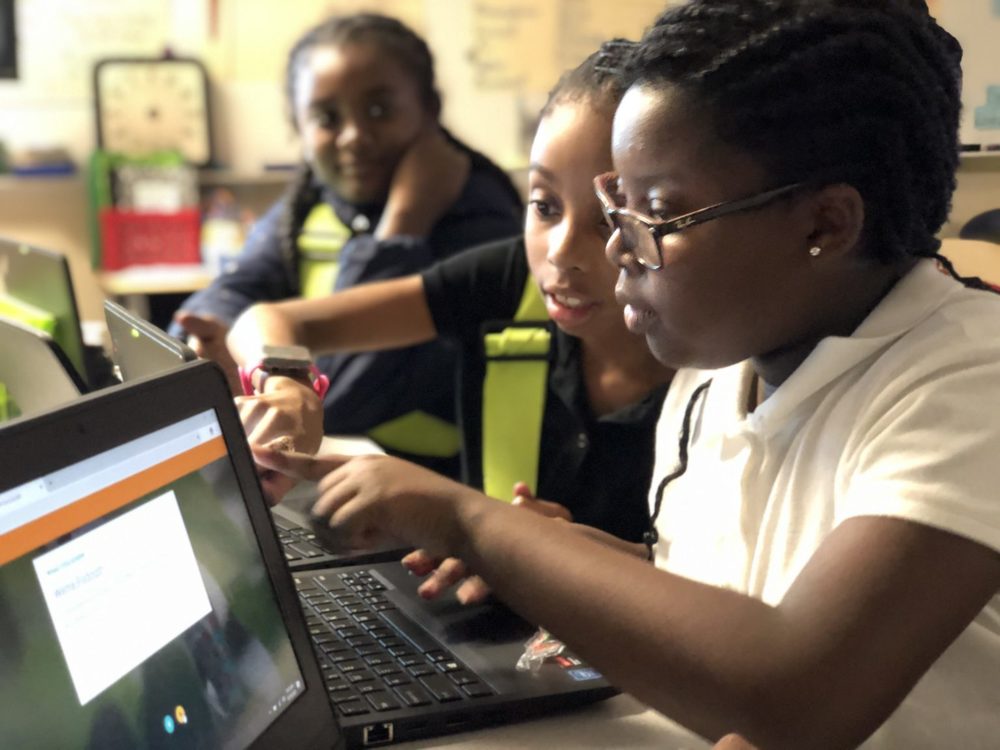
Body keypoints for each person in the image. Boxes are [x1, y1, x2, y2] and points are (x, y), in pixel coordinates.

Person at [254, 2, 1000, 748]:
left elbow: (795, 696)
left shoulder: (969, 380)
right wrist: (538, 555)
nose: (612, 251)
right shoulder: (721, 368)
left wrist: (470, 520)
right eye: (618, 205)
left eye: (652, 214)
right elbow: (722, 584)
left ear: (825, 226)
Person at [228, 42, 673, 551]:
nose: (562, 252)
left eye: (608, 218)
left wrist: (549, 551)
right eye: (544, 205)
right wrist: (287, 383)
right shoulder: (508, 280)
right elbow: (267, 319)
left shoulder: (716, 360)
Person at [171, 12, 522, 480]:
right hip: (329, 466)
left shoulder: (480, 219)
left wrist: (402, 224)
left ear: (430, 108)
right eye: (327, 118)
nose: (354, 136)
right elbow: (234, 292)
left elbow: (341, 397)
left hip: (435, 483)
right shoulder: (310, 205)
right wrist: (216, 340)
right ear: (297, 126)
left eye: (379, 111)